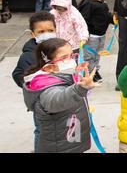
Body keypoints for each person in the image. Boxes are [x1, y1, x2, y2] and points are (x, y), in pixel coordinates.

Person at [22, 38, 99, 153]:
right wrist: (79, 89)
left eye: (72, 55)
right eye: (64, 57)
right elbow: (58, 100)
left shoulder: (64, 76)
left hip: (70, 138)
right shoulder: (47, 87)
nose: (72, 60)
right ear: (49, 67)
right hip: (59, 146)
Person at [11, 11, 56, 152]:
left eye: (50, 30)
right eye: (41, 31)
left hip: (60, 99)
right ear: (33, 34)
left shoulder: (60, 49)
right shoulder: (28, 55)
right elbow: (18, 74)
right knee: (41, 131)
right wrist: (31, 84)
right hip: (41, 104)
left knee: (59, 131)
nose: (46, 34)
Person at [78, 0, 114, 83]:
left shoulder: (101, 2)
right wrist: (85, 34)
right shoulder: (88, 3)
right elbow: (83, 20)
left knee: (97, 55)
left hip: (100, 35)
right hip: (92, 36)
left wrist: (113, 19)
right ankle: (90, 73)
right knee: (89, 56)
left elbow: (105, 16)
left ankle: (95, 70)